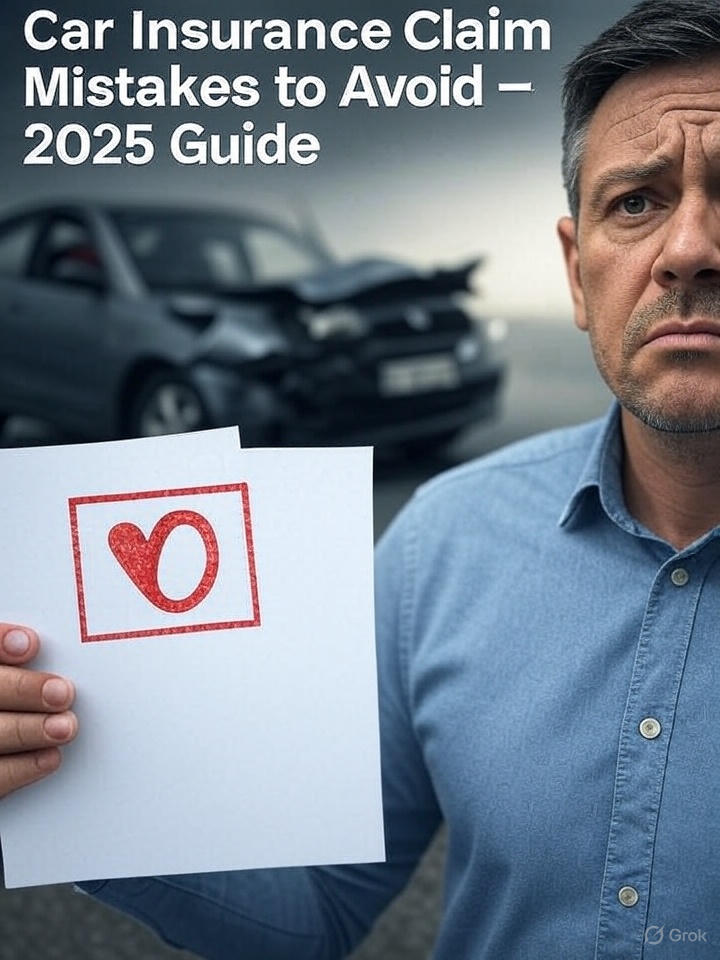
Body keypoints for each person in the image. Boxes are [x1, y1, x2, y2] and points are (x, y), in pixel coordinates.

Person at [2, 0, 720, 955]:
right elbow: (317, 911)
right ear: (577, 274)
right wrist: (73, 780)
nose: (689, 250)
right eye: (636, 201)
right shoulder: (440, 542)